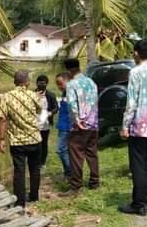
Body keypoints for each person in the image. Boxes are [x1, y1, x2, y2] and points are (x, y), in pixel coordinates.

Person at [118, 40, 147, 216]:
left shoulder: (136, 72)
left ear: (137, 53)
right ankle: (144, 201)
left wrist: (125, 125)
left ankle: (138, 204)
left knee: (137, 164)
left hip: (139, 124)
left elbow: (131, 102)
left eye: (133, 52)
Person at [0, 70, 44, 208]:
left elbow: (2, 119)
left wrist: (1, 139)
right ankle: (34, 196)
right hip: (35, 139)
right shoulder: (33, 95)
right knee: (35, 168)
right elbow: (39, 110)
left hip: (17, 142)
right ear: (27, 82)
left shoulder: (7, 97)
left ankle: (20, 202)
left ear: (14, 82)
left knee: (19, 171)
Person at [58, 58, 99, 197]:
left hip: (79, 124)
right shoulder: (91, 82)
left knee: (76, 154)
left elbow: (72, 105)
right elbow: (95, 102)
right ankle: (94, 182)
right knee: (91, 153)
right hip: (93, 123)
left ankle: (76, 186)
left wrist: (76, 120)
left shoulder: (72, 84)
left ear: (69, 71)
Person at [36, 75, 59, 168]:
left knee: (44, 143)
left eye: (44, 83)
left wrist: (50, 113)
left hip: (46, 123)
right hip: (34, 122)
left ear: (47, 84)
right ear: (37, 83)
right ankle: (35, 160)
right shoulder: (32, 94)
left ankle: (42, 162)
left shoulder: (51, 95)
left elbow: (56, 107)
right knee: (35, 143)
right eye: (40, 83)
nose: (42, 85)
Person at [54, 73, 72, 180]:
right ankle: (67, 173)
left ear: (67, 81)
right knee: (65, 150)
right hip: (63, 126)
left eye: (60, 84)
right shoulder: (65, 93)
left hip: (67, 127)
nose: (59, 87)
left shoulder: (71, 93)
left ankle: (70, 172)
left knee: (61, 150)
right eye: (57, 85)